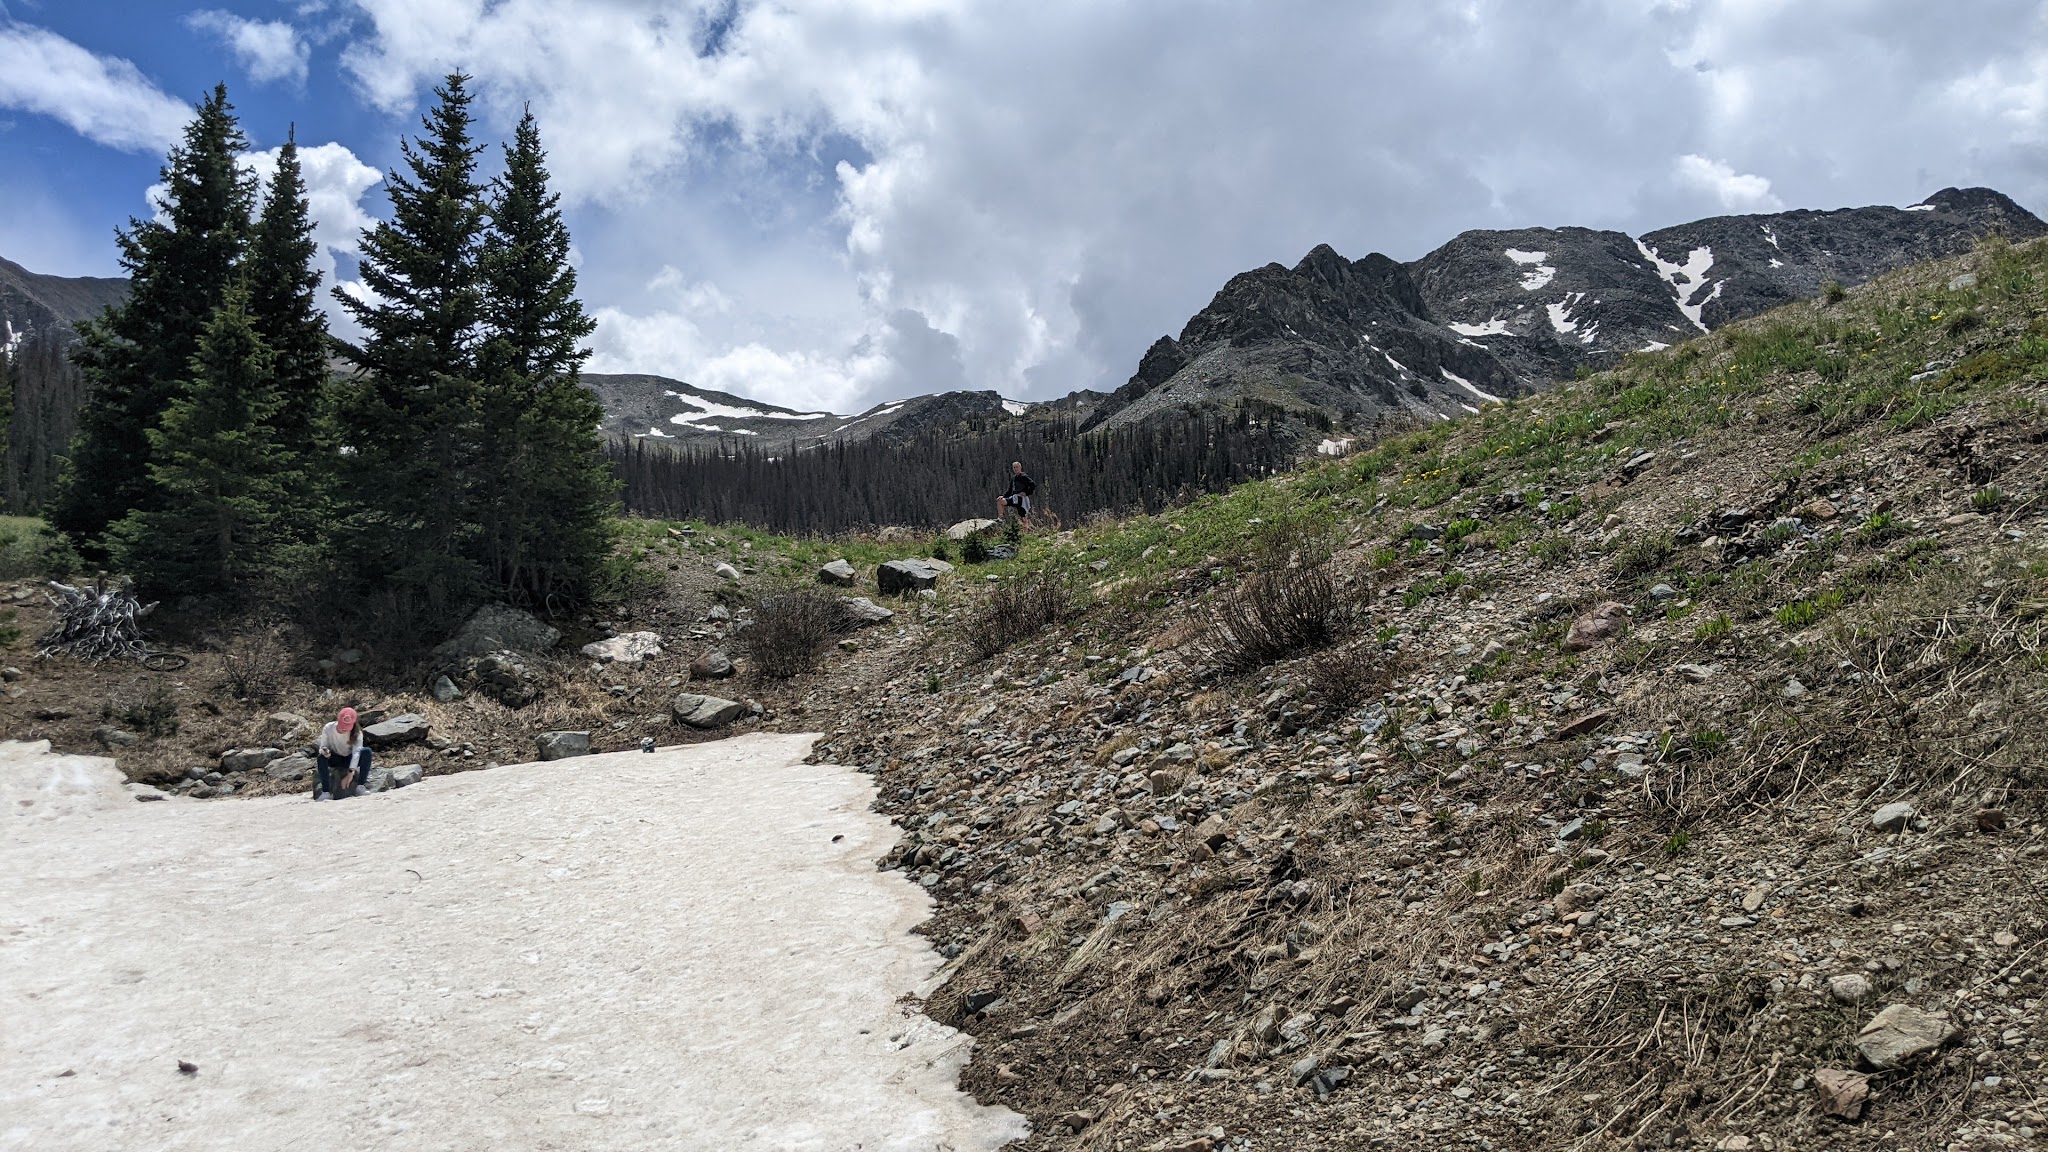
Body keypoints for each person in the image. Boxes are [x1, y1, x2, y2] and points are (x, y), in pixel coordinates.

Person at [313, 707, 372, 800]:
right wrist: (325, 752)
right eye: (342, 725)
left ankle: (360, 786)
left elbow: (356, 752)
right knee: (321, 757)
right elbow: (323, 747)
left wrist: (350, 773)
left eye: (347, 726)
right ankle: (326, 792)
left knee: (366, 752)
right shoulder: (328, 728)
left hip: (350, 758)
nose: (344, 729)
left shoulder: (357, 733)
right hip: (335, 758)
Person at [995, 460, 1036, 525]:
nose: (1015, 469)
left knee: (1023, 516)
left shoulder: (1024, 476)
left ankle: (1026, 532)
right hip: (1014, 498)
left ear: (1020, 468)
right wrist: (1003, 496)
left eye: (1017, 467)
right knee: (1000, 501)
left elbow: (1033, 485)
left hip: (1021, 499)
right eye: (1014, 467)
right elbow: (1010, 490)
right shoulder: (1013, 478)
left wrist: (1026, 493)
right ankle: (1000, 518)